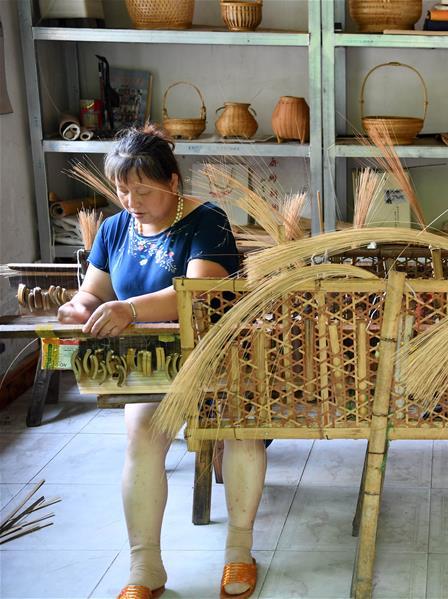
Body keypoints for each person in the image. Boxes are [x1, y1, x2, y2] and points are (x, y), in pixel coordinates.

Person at [58, 125, 267, 599]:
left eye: (143, 189)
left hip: (219, 353)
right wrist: (78, 307)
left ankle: (238, 553)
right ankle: (145, 568)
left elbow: (194, 294)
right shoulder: (114, 230)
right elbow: (95, 290)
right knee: (142, 439)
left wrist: (129, 310)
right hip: (152, 360)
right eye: (122, 189)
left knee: (239, 431)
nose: (131, 200)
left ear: (173, 183)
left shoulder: (206, 220)